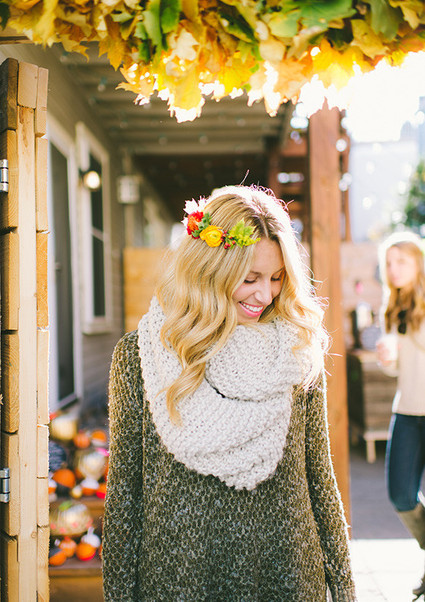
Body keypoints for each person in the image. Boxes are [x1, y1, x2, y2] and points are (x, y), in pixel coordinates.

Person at [102, 185, 357, 601]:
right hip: (180, 580)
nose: (265, 294)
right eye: (250, 278)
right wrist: (117, 594)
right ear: (208, 270)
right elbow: (125, 493)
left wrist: (344, 590)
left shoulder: (294, 352)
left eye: (277, 277)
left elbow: (319, 479)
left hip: (287, 576)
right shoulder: (140, 356)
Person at [377, 231, 425, 600]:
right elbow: (398, 368)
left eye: (402, 262)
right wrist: (387, 361)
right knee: (401, 495)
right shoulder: (392, 307)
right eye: (389, 263)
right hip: (407, 412)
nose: (394, 269)